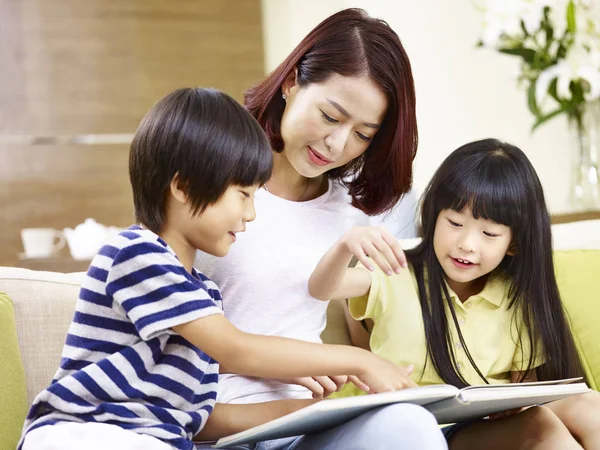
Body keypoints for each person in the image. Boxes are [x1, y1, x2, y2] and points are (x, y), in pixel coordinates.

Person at [18, 87, 423, 450]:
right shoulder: (137, 255)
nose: (250, 214)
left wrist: (322, 412)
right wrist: (361, 361)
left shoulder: (202, 295)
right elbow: (238, 350)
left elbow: (206, 421)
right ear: (183, 186)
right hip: (83, 433)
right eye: (244, 195)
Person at [194, 8, 447, 450]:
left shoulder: (350, 215)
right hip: (226, 420)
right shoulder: (213, 183)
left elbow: (365, 340)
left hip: (304, 425)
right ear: (292, 81)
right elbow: (161, 334)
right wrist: (291, 363)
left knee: (412, 427)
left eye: (363, 134)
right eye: (330, 117)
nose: (337, 145)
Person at [309, 138, 600, 449]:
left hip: (488, 425)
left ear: (513, 243)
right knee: (541, 426)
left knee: (590, 407)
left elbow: (524, 389)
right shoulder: (394, 273)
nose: (467, 244)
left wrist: (518, 406)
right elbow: (323, 288)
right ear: (433, 217)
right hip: (418, 428)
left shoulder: (516, 297)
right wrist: (345, 245)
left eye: (489, 234)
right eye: (455, 223)